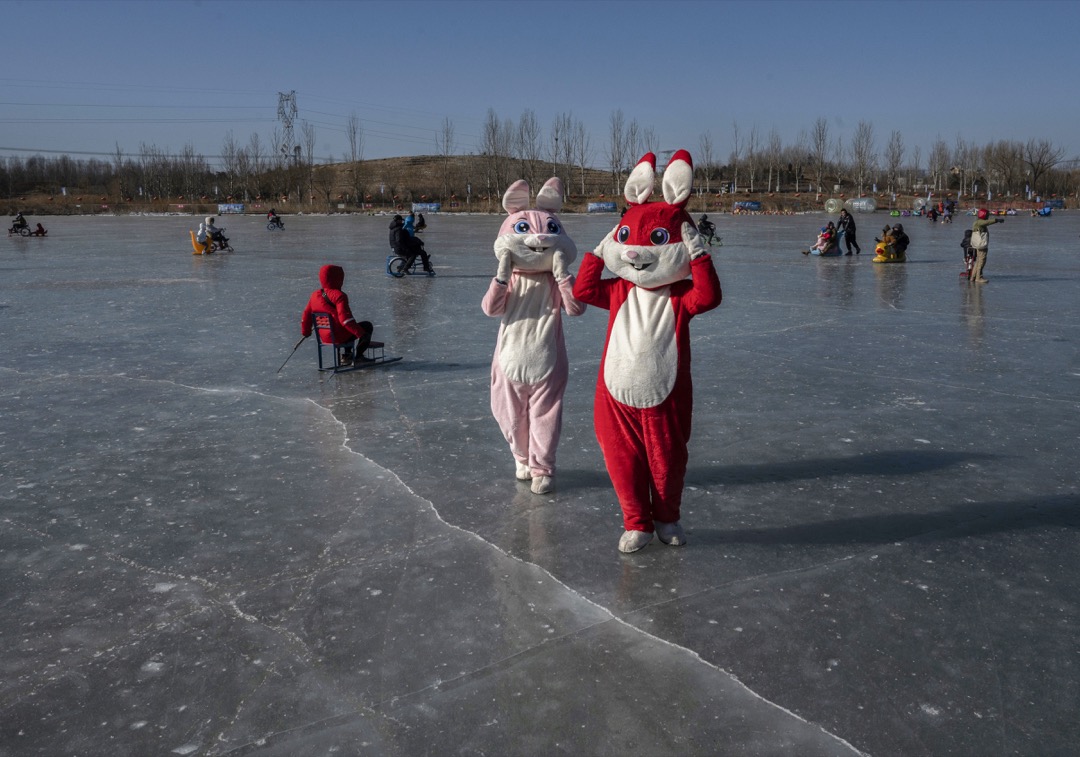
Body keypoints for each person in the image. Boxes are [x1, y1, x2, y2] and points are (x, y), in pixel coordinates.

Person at [300, 264, 373, 364]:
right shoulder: (339, 296)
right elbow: (345, 320)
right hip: (338, 335)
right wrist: (361, 334)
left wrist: (306, 332)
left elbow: (306, 316)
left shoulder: (314, 295)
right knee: (366, 326)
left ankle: (347, 355)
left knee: (350, 329)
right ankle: (358, 356)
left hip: (324, 336)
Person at [969, 208, 1003, 284]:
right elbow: (987, 222)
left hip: (978, 245)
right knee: (981, 261)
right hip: (981, 245)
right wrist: (996, 220)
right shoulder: (980, 222)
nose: (988, 216)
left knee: (978, 261)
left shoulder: (977, 222)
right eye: (987, 215)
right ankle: (979, 277)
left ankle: (973, 277)